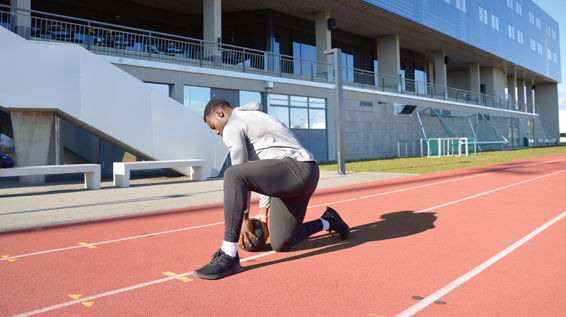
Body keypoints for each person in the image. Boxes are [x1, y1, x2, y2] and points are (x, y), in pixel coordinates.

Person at [193, 99, 350, 280]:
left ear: (220, 114)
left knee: (232, 174)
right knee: (281, 242)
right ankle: (329, 221)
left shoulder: (233, 124)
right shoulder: (252, 118)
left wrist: (244, 219)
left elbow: (239, 169)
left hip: (296, 169)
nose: (218, 132)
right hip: (303, 173)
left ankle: (229, 255)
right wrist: (262, 212)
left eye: (214, 127)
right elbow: (267, 168)